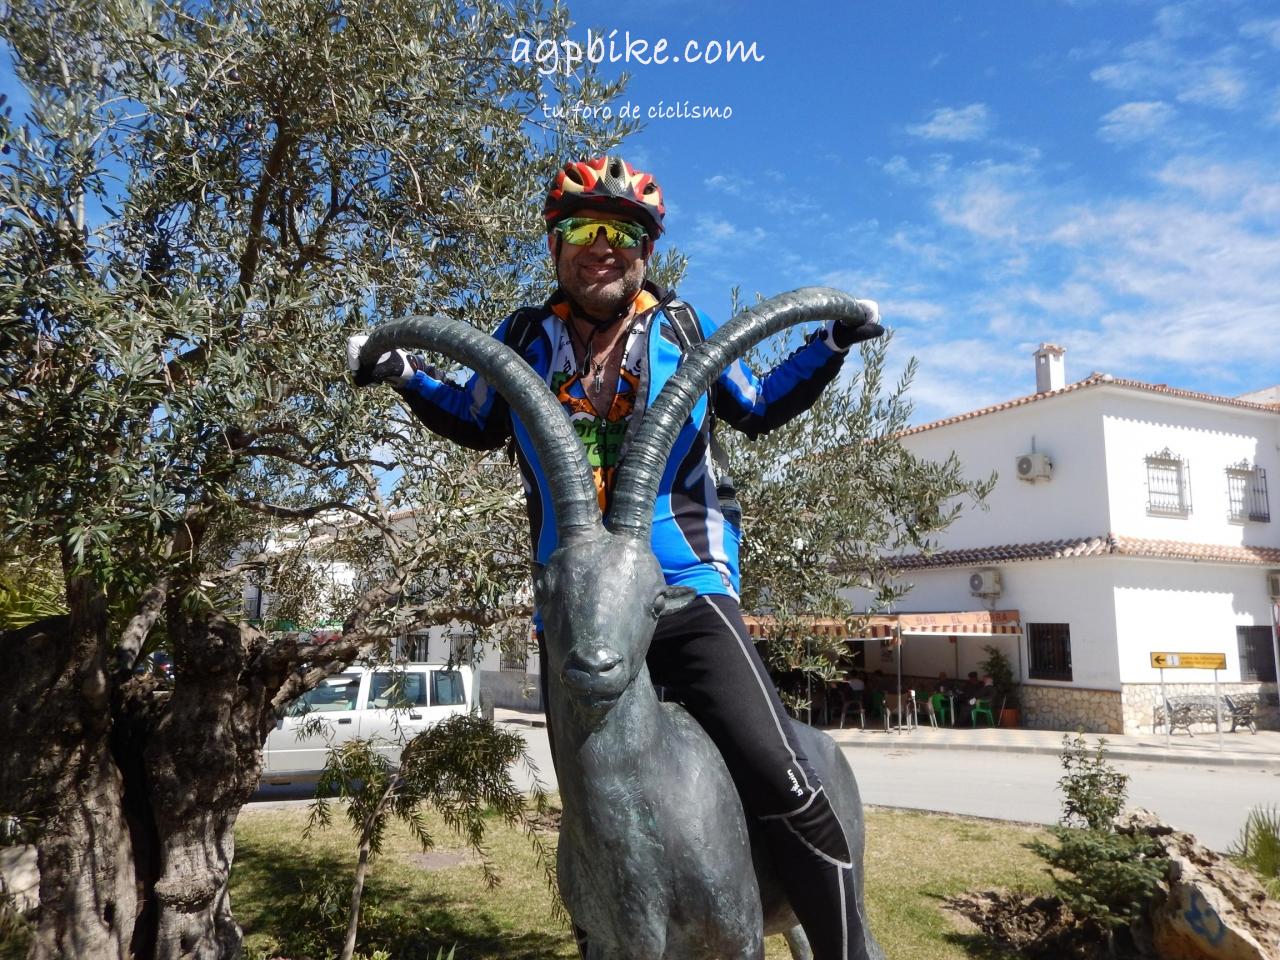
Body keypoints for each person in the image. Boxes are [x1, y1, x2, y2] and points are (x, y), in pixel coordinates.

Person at [348, 155, 884, 959]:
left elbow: (758, 404)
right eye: (584, 227)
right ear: (556, 245)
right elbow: (475, 417)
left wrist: (832, 343)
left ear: (647, 251)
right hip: (575, 608)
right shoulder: (523, 337)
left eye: (623, 231)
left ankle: (846, 948)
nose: (603, 245)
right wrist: (402, 372)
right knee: (596, 810)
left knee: (780, 771)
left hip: (687, 589)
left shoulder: (683, 328)